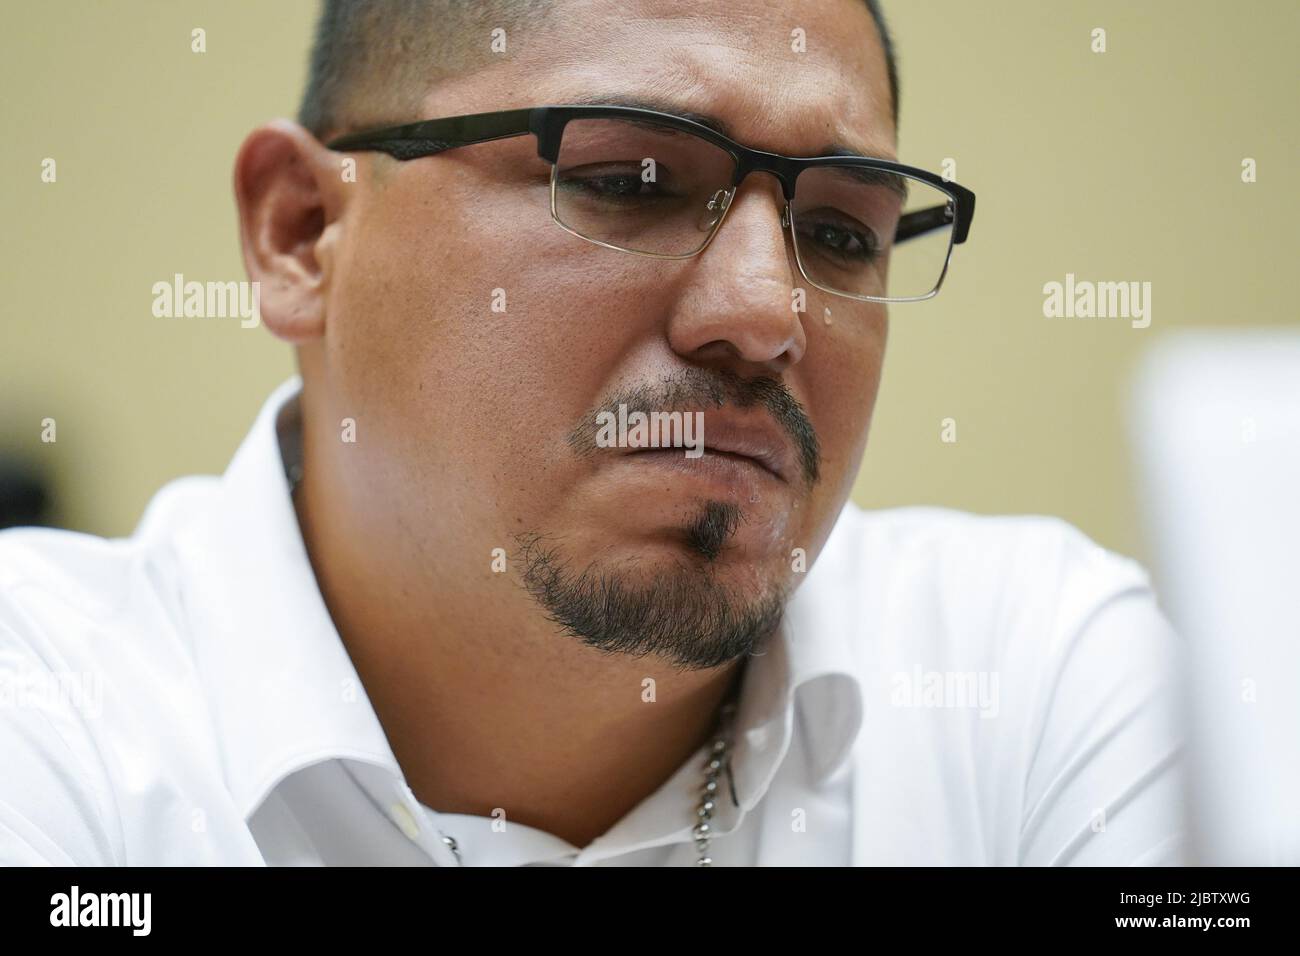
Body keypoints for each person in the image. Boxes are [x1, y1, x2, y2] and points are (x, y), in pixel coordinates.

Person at [0, 0, 1184, 866]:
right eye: (632, 178)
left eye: (839, 232)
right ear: (304, 233)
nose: (766, 313)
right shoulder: (47, 713)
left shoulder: (1030, 680)